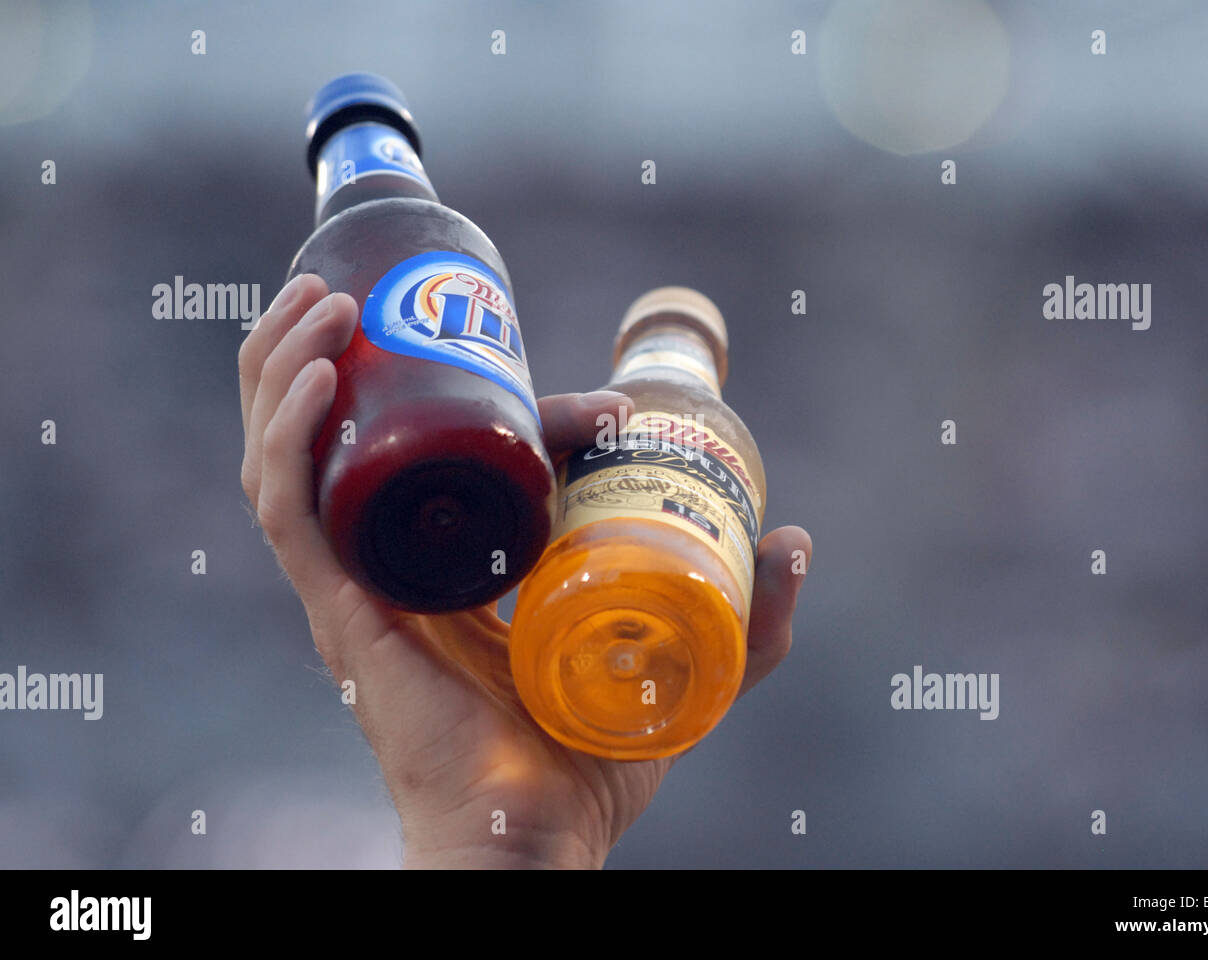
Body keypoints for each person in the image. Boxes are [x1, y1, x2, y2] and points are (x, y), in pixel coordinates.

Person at [237, 275, 813, 868]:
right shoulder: (662, 420)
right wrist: (486, 838)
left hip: (627, 626)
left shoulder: (703, 423)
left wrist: (513, 845)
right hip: (578, 630)